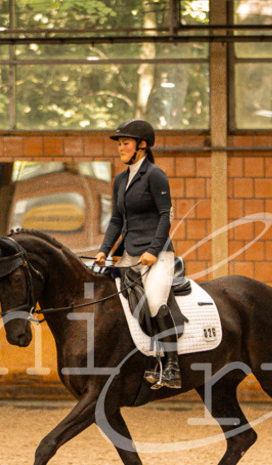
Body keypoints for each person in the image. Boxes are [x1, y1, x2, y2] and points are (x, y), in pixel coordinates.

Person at [94, 118, 179, 389]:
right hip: (130, 254)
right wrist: (104, 250)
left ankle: (172, 365)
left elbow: (165, 216)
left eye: (125, 143)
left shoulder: (155, 175)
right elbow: (116, 220)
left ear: (141, 145)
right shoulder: (121, 180)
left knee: (154, 301)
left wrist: (154, 250)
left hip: (157, 254)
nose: (120, 148)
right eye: (119, 144)